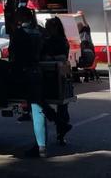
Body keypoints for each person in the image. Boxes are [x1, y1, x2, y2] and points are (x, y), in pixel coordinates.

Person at [4, 0, 71, 158]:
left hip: (25, 72)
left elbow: (13, 54)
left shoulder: (20, 33)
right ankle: (57, 125)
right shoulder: (39, 32)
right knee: (39, 104)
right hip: (37, 71)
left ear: (22, 17)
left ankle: (41, 146)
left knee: (36, 106)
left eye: (17, 16)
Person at [43, 17, 73, 146]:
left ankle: (61, 129)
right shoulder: (59, 40)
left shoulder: (58, 41)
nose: (46, 29)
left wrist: (50, 58)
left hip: (55, 75)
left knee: (59, 105)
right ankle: (61, 131)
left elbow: (62, 57)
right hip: (61, 75)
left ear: (54, 28)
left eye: (48, 27)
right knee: (62, 106)